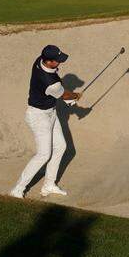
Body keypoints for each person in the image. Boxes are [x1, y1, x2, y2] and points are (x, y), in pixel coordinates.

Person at [9, 45, 79, 199]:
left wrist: (68, 97)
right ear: (48, 61)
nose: (60, 63)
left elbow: (60, 94)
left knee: (61, 146)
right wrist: (75, 96)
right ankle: (17, 189)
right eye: (57, 61)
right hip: (38, 117)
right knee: (43, 154)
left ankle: (48, 184)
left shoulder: (38, 61)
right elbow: (64, 95)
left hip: (50, 112)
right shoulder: (50, 82)